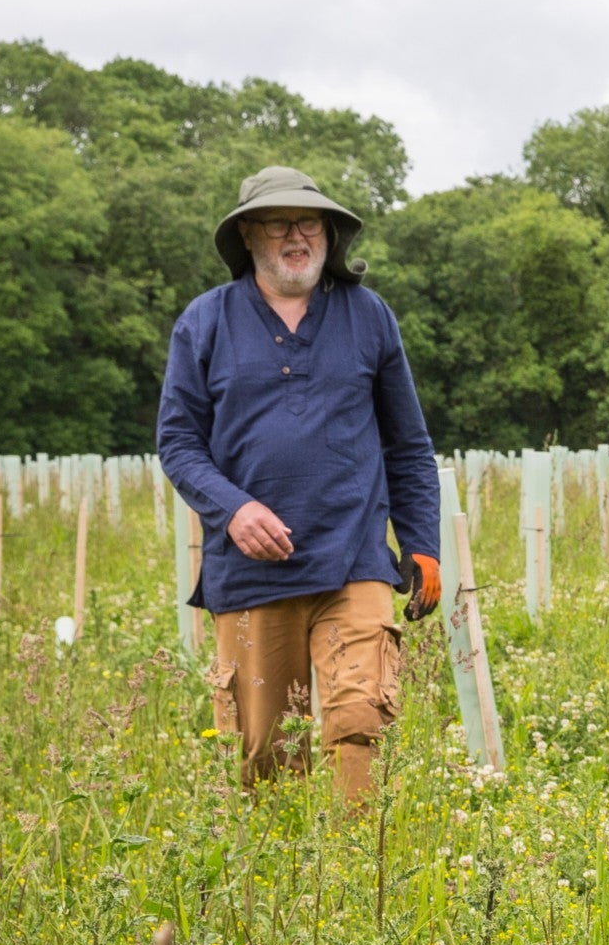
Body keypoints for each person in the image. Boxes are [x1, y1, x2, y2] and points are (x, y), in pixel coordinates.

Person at [158, 167, 442, 801]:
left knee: (360, 719)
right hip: (251, 570)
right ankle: (282, 880)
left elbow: (409, 445)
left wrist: (422, 544)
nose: (297, 234)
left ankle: (352, 875)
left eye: (309, 221)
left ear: (329, 234)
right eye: (279, 222)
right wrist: (233, 510)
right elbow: (178, 443)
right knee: (266, 751)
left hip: (354, 559)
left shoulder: (368, 317)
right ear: (249, 235)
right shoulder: (204, 323)